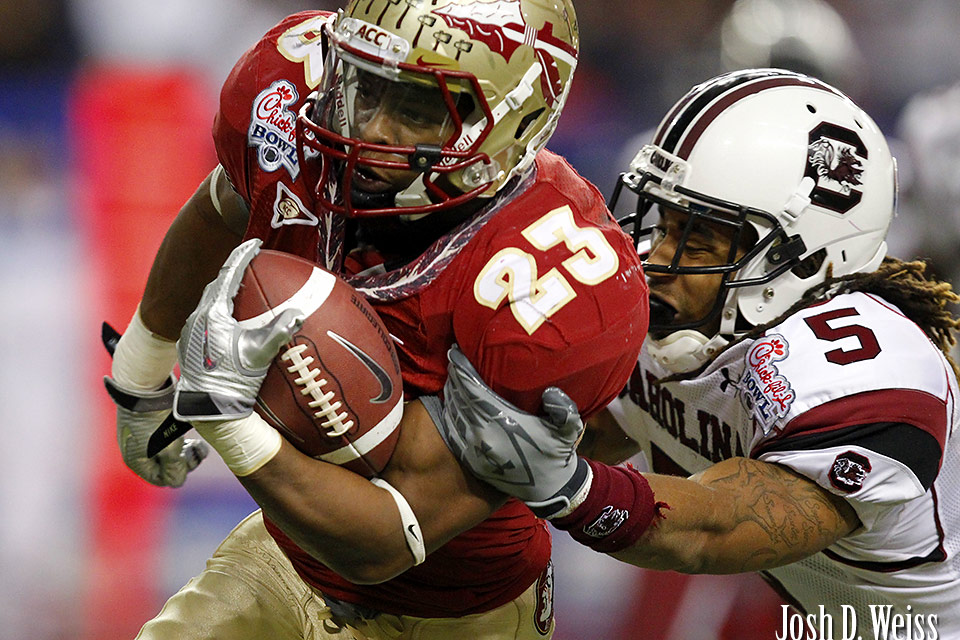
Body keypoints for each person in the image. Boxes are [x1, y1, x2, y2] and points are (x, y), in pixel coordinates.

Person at [102, 1, 649, 638]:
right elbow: (225, 203)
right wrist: (140, 372)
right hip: (287, 556)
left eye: (416, 108)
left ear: (515, 120)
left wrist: (225, 416)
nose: (371, 128)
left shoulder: (554, 276)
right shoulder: (295, 101)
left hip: (458, 611)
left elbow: (385, 542)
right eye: (365, 86)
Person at [435, 68, 960, 636]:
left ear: (803, 258)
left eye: (699, 237)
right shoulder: (690, 314)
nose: (656, 258)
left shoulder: (864, 371)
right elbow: (589, 429)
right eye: (664, 221)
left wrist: (576, 490)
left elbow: (719, 529)